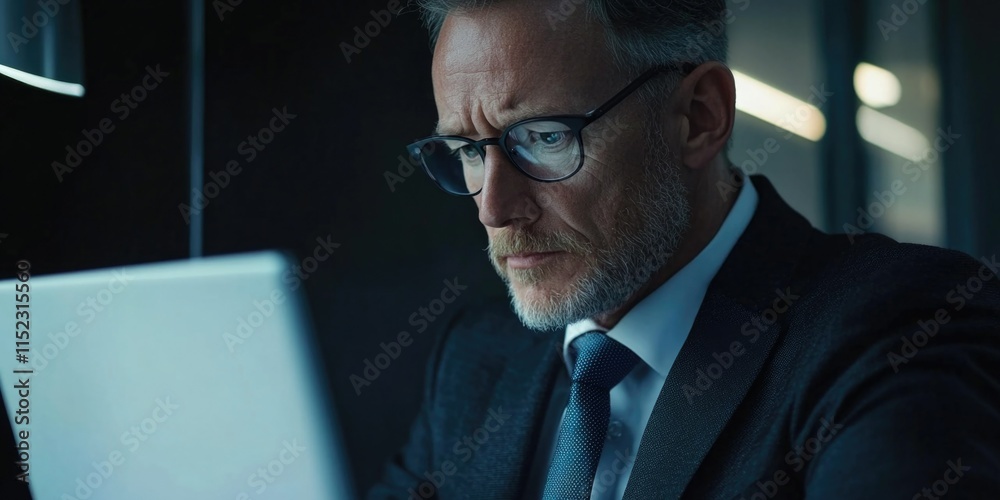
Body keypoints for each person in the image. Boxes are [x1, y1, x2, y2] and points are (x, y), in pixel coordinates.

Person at [368, 0, 1000, 498]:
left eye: (544, 137)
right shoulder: (477, 360)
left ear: (699, 116)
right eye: (469, 152)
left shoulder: (900, 327)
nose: (494, 208)